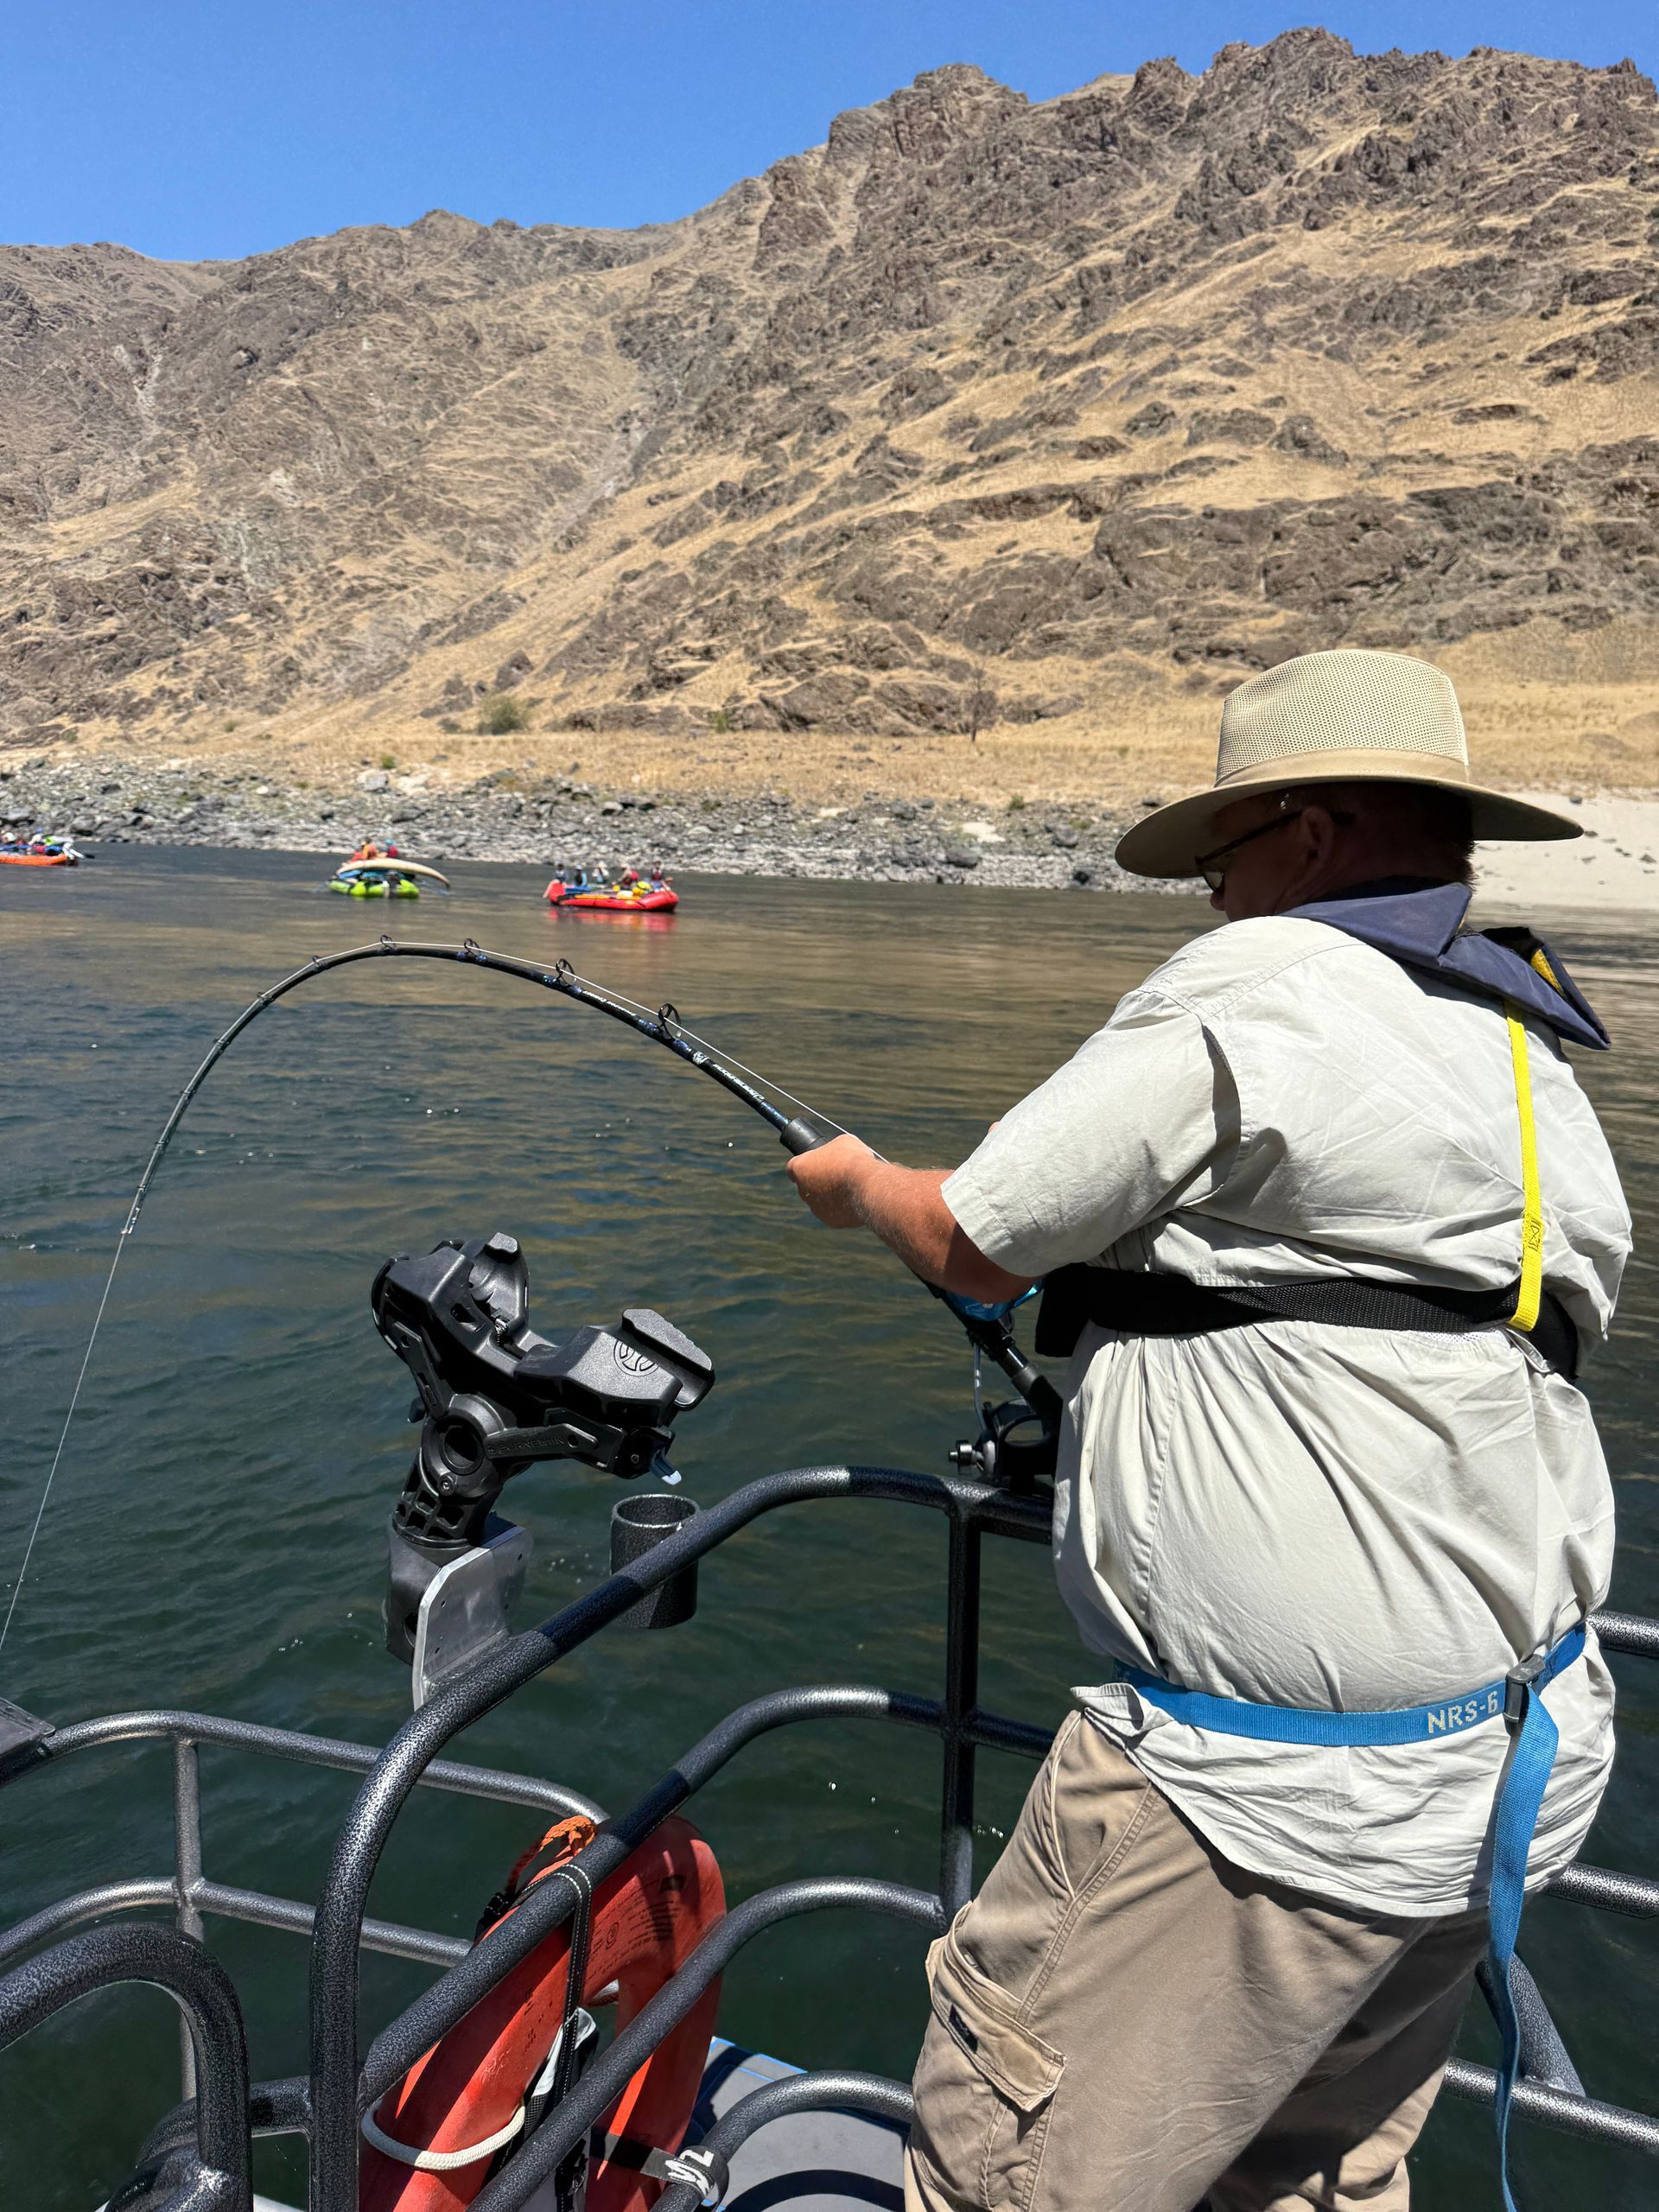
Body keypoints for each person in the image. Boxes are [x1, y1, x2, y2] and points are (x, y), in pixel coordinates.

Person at [787, 649, 1630, 2212]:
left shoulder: (1263, 983)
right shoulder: (1523, 1046)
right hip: (1508, 1775)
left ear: (1304, 836)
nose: (1213, 896)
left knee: (1004, 2181)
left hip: (1269, 1815)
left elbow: (977, 1236)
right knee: (1310, 2186)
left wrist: (849, 1185)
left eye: (1225, 856)